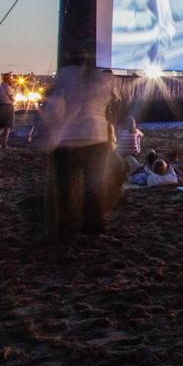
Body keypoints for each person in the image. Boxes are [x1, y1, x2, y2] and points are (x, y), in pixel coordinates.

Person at [38, 61, 119, 240]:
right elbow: (114, 105)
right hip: (96, 135)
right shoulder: (104, 77)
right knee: (94, 186)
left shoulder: (66, 74)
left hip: (68, 138)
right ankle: (93, 228)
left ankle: (67, 228)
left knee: (66, 188)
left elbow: (55, 104)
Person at [0, 73, 16, 148]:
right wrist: (14, 99)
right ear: (7, 79)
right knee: (8, 126)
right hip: (8, 106)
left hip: (1, 107)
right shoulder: (7, 87)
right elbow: (12, 98)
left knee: (1, 125)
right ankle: (4, 143)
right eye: (10, 78)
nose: (11, 79)